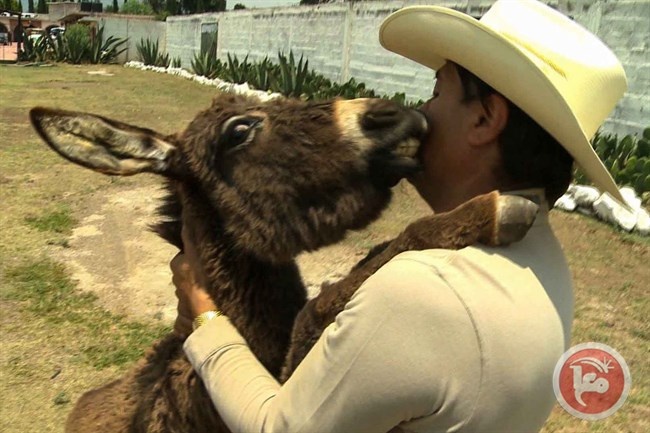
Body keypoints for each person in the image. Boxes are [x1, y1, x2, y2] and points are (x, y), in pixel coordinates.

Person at [171, 1, 628, 431]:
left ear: (485, 121)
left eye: (437, 91)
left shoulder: (421, 292)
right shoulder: (543, 262)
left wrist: (204, 315)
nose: (422, 111)